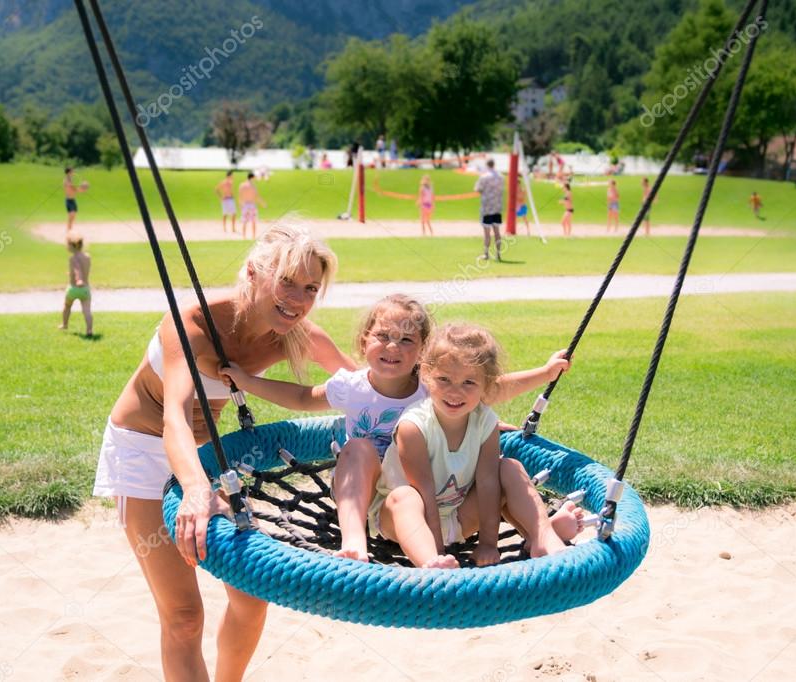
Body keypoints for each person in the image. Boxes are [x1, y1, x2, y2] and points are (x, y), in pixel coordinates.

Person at [93, 226, 356, 682]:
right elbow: (175, 412)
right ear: (253, 274)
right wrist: (196, 490)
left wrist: (462, 420)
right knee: (183, 615)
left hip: (206, 455)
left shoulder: (294, 334)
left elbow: (370, 389)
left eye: (310, 288)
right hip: (143, 451)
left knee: (251, 595)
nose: (298, 298)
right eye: (287, 282)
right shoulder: (193, 320)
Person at [221, 295, 578, 563]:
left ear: (422, 353)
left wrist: (543, 375)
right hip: (382, 494)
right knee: (359, 448)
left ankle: (540, 531)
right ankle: (354, 540)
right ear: (364, 341)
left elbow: (490, 386)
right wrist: (246, 382)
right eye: (384, 336)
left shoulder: (434, 386)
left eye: (407, 340)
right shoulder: (352, 386)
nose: (393, 346)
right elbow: (301, 396)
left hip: (447, 492)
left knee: (504, 471)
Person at [369, 323, 579, 568]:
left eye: (468, 382)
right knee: (405, 497)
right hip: (403, 522)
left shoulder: (485, 422)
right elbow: (424, 493)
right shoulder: (413, 427)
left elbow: (489, 483)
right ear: (426, 374)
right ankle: (430, 562)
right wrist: (437, 551)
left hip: (458, 517)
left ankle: (542, 535)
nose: (455, 392)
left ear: (486, 385)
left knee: (509, 468)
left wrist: (488, 543)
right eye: (444, 379)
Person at [59, 231, 93, 336]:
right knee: (86, 310)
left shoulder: (73, 258)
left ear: (71, 246)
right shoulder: (88, 257)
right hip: (85, 289)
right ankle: (89, 330)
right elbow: (83, 269)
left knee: (67, 306)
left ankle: (64, 324)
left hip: (73, 288)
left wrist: (78, 279)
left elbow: (77, 269)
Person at [474, 159, 504, 261]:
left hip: (487, 207)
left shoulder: (484, 177)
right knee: (497, 231)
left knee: (487, 233)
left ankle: (486, 254)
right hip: (497, 207)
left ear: (487, 165)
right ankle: (498, 254)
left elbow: (478, 189)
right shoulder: (501, 177)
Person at [238, 172, 266, 240]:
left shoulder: (242, 185)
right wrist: (263, 203)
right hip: (252, 205)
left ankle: (244, 237)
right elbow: (256, 196)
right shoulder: (253, 186)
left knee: (244, 221)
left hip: (245, 205)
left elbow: (240, 196)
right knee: (253, 221)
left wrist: (240, 205)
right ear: (252, 177)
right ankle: (253, 236)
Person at [64, 167, 88, 232]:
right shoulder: (67, 180)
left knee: (73, 215)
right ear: (68, 173)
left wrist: (82, 189)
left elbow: (74, 189)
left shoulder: (70, 180)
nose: (73, 173)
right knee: (71, 215)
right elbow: (73, 188)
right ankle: (68, 229)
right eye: (72, 171)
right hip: (69, 200)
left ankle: (70, 228)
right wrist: (82, 189)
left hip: (72, 200)